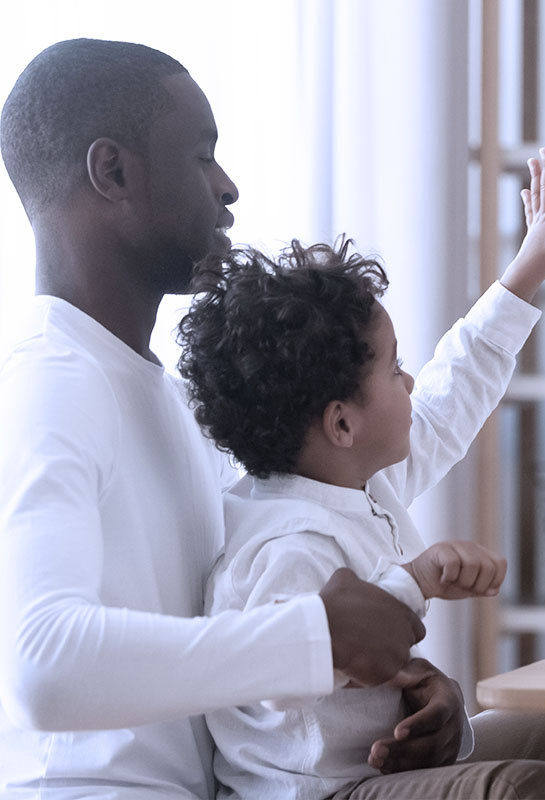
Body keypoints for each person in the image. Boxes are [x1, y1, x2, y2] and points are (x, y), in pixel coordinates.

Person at [0, 39, 425, 798]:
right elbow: (43, 664)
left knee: (528, 749)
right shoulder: (51, 380)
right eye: (203, 156)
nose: (228, 187)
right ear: (113, 172)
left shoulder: (161, 395)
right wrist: (315, 637)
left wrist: (407, 689)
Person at [177, 146, 545, 799]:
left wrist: (531, 266)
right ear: (342, 424)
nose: (411, 380)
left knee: (541, 731)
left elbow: (456, 391)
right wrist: (414, 581)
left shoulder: (358, 482)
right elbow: (282, 668)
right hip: (318, 794)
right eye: (395, 368)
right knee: (521, 786)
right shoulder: (282, 541)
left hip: (373, 771)